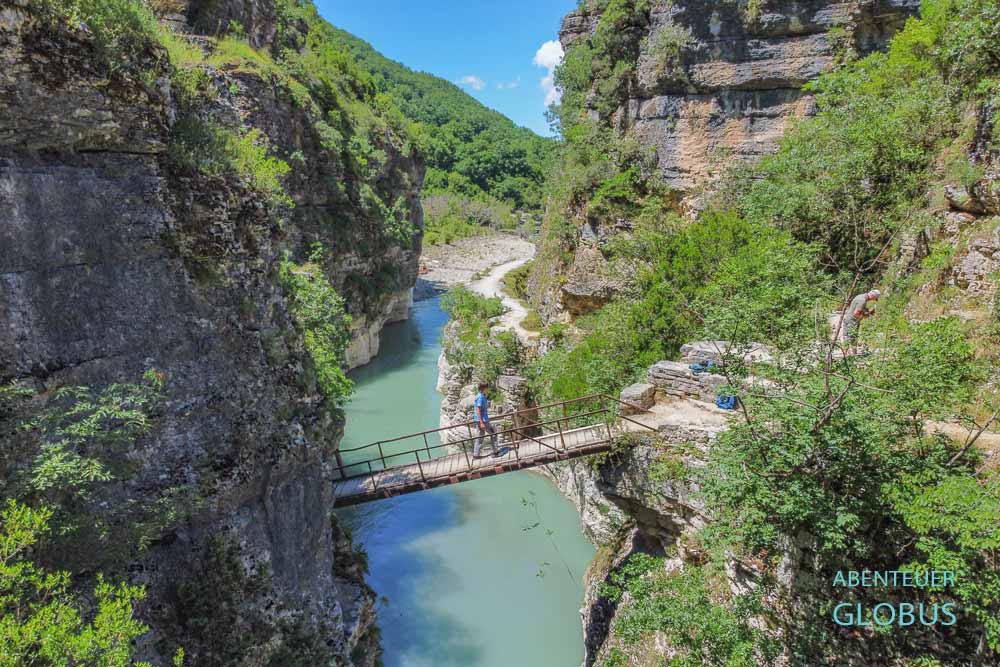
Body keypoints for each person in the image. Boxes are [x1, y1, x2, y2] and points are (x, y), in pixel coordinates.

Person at [842, 289, 880, 354]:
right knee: (852, 337)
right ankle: (852, 355)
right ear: (873, 296)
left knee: (846, 337)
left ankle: (846, 355)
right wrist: (867, 315)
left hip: (847, 318)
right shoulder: (862, 300)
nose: (873, 300)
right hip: (852, 321)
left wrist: (868, 312)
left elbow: (858, 309)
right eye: (874, 298)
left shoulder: (860, 296)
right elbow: (856, 313)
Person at [473, 382, 499, 458]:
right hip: (483, 420)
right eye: (487, 388)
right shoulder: (481, 397)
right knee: (493, 433)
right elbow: (478, 409)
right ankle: (495, 452)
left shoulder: (480, 396)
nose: (488, 389)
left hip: (479, 420)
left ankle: (476, 454)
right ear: (484, 388)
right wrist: (481, 423)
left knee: (480, 436)